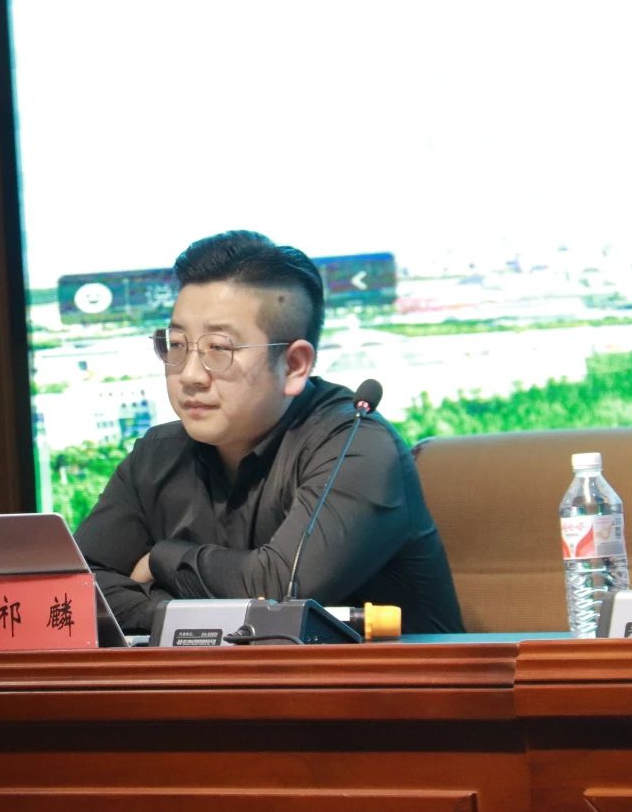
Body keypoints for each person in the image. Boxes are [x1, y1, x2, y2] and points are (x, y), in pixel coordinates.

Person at [74, 230, 464, 635]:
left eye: (219, 349)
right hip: (223, 678)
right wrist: (172, 615)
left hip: (390, 676)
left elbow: (280, 593)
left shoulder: (358, 446)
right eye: (176, 344)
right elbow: (73, 589)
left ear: (294, 366)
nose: (189, 376)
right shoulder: (157, 456)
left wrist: (163, 559)